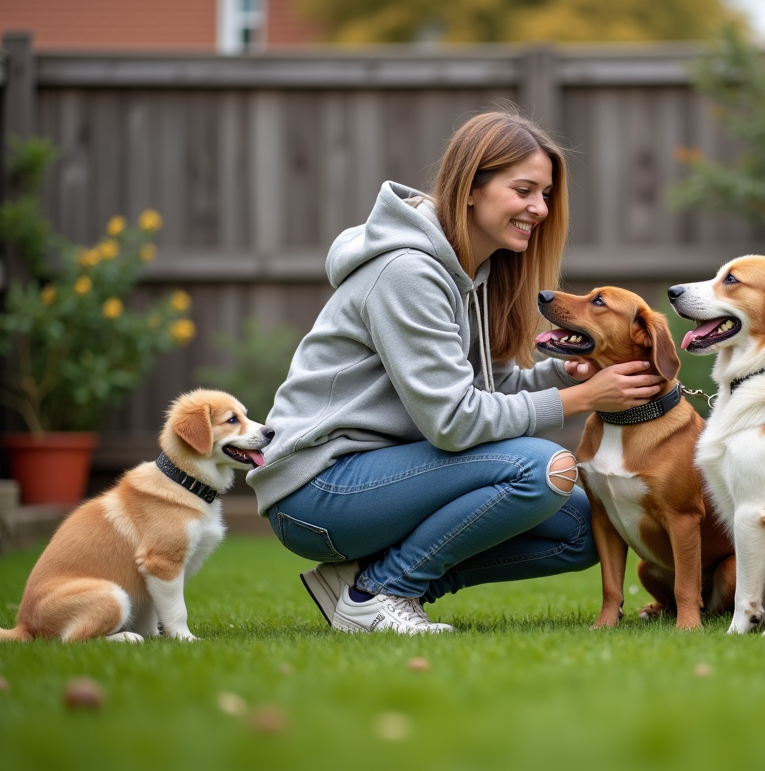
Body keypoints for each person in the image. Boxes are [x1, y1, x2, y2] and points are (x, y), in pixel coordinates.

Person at [248, 108, 663, 635]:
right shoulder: (407, 271)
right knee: (542, 469)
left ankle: (368, 585)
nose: (539, 208)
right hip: (320, 488)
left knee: (585, 530)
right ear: (471, 188)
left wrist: (570, 376)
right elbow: (454, 422)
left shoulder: (478, 271)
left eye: (546, 194)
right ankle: (380, 593)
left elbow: (493, 390)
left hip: (391, 477)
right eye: (524, 190)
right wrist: (583, 400)